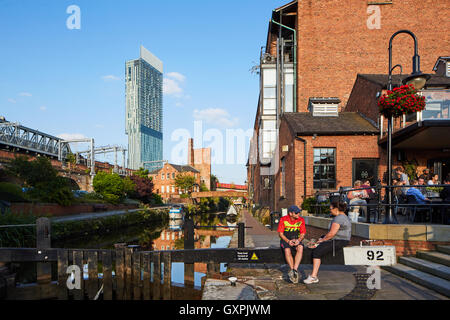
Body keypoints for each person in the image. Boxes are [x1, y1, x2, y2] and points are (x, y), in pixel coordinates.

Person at [303, 200, 351, 284]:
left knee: (317, 253)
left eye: (331, 209)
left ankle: (314, 277)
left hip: (339, 241)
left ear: (336, 209)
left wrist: (321, 241)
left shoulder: (338, 218)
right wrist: (320, 240)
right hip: (341, 240)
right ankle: (315, 245)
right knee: (320, 239)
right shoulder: (344, 216)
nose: (330, 210)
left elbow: (331, 234)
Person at [277, 205, 306, 284]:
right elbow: (280, 234)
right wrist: (288, 241)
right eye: (296, 213)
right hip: (285, 239)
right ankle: (292, 269)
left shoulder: (301, 220)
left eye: (299, 213)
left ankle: (295, 270)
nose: (298, 214)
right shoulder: (283, 219)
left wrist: (299, 240)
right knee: (287, 250)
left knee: (300, 248)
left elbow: (303, 233)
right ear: (290, 213)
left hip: (296, 238)